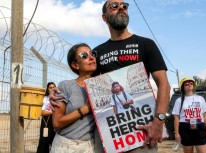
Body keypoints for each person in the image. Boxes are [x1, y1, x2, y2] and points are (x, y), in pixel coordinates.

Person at [50, 0, 170, 152]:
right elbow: (83, 81)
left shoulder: (146, 44)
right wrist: (54, 91)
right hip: (109, 133)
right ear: (104, 17)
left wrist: (159, 121)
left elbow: (164, 84)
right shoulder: (98, 52)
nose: (121, 8)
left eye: (124, 6)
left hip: (141, 131)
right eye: (114, 6)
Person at [50, 43, 102, 153]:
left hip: (89, 147)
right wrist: (84, 109)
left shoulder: (102, 87)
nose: (91, 57)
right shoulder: (66, 86)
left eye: (92, 53)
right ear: (75, 65)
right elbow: (57, 123)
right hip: (65, 146)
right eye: (84, 55)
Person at [172, 78, 206, 153]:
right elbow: (176, 117)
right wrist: (177, 133)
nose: (189, 85)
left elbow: (205, 115)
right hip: (185, 128)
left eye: (191, 83)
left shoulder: (200, 98)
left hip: (200, 126)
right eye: (186, 84)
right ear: (183, 87)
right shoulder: (179, 100)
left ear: (193, 85)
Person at [37, 82, 56, 153]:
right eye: (50, 87)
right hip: (46, 121)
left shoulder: (58, 98)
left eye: (53, 87)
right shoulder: (45, 98)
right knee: (43, 141)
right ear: (47, 89)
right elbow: (41, 112)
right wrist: (52, 112)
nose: (52, 89)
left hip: (55, 121)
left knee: (54, 140)